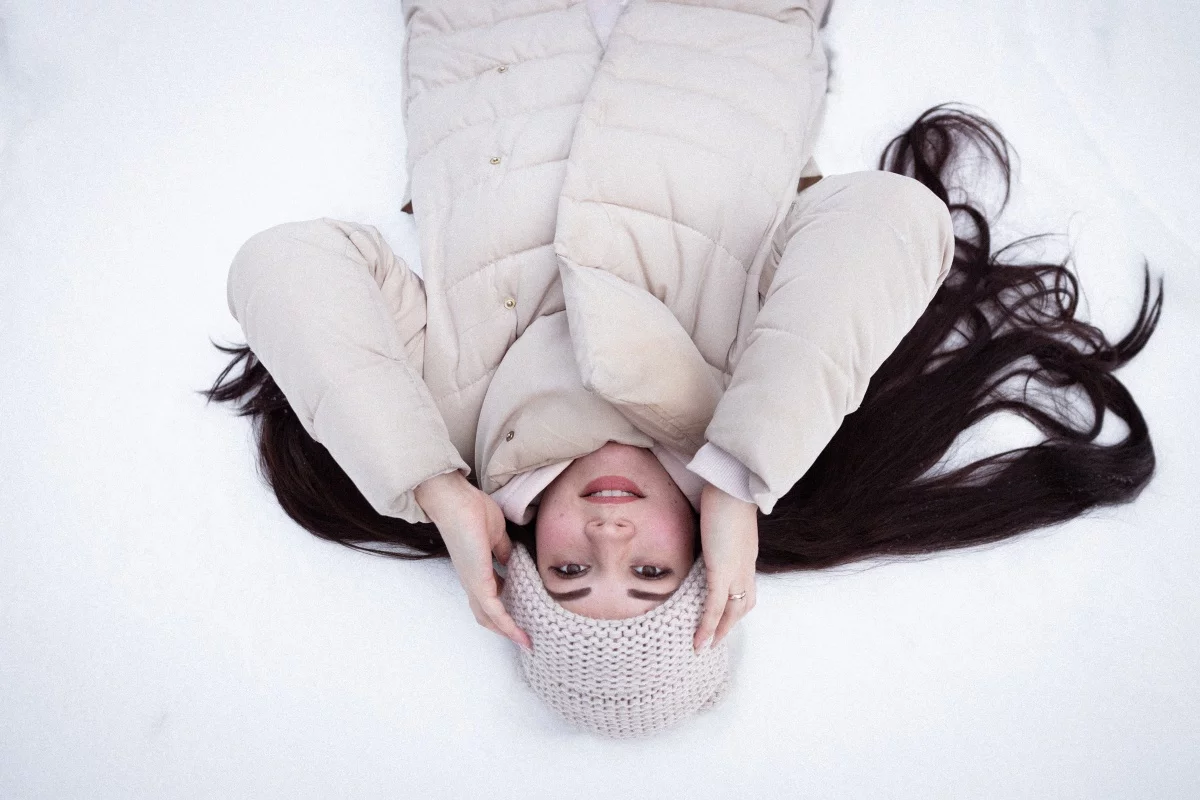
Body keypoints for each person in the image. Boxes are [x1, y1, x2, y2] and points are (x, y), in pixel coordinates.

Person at [201, 0, 1163, 737]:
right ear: (705, 554)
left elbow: (280, 266)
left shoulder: (453, 418)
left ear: (522, 553)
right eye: (651, 570)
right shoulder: (751, 397)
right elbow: (895, 219)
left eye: (571, 570)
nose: (609, 533)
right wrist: (741, 474)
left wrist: (433, 487)